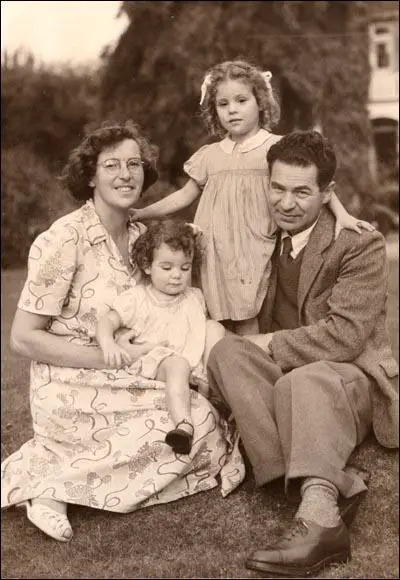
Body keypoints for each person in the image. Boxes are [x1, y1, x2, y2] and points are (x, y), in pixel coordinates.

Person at [1, 121, 245, 543]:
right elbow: (23, 338)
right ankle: (47, 485)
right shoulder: (65, 238)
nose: (126, 174)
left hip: (135, 371)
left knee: (199, 419)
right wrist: (107, 355)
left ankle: (62, 474)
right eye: (111, 165)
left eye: (134, 164)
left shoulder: (142, 238)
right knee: (193, 425)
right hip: (70, 381)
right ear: (90, 175)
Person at [206, 130, 399, 577]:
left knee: (301, 377)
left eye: (302, 192)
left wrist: (269, 344)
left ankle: (320, 520)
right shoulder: (263, 237)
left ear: (327, 193)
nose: (286, 203)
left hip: (349, 377)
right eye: (277, 188)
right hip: (292, 378)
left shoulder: (360, 243)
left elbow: (345, 337)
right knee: (226, 353)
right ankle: (299, 475)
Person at [133, 60, 373, 335]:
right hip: (214, 248)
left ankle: (252, 371)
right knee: (213, 318)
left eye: (241, 100)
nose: (232, 109)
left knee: (249, 317)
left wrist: (342, 215)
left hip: (252, 245)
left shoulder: (274, 148)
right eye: (223, 104)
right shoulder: (210, 155)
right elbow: (184, 195)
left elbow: (312, 183)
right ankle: (216, 372)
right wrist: (141, 212)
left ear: (260, 102)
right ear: (215, 111)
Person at [96, 219, 225, 455]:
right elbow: (107, 321)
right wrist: (107, 343)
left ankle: (210, 385)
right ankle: (183, 425)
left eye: (184, 268)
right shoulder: (137, 298)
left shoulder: (193, 296)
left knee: (214, 327)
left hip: (193, 363)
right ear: (147, 266)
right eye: (166, 268)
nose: (177, 275)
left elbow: (198, 329)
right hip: (160, 363)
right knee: (177, 364)